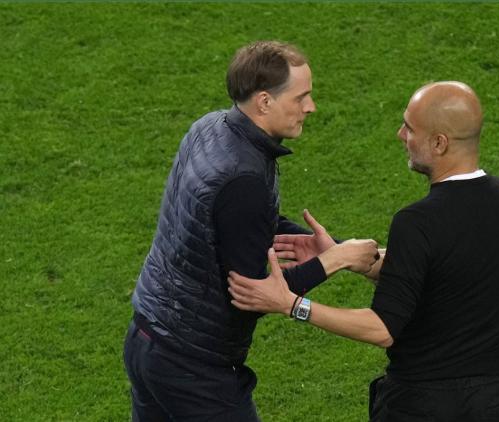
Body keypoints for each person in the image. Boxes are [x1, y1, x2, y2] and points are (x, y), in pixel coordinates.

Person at [228, 81, 499, 421]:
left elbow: (382, 328)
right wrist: (342, 255)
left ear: (439, 143)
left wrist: (292, 304)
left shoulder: (418, 222)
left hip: (423, 405)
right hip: (496, 401)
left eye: (410, 128)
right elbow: (446, 270)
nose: (401, 135)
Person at [123, 40, 378, 421]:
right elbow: (254, 296)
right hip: (193, 369)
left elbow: (236, 223)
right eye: (301, 97)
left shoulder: (210, 128)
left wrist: (327, 247)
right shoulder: (245, 178)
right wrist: (334, 261)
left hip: (146, 337)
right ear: (264, 102)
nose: (311, 107)